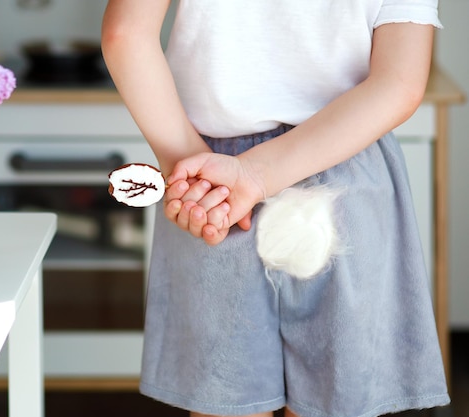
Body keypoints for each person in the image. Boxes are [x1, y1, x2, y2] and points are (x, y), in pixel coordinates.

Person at [101, 1, 451, 417]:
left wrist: (201, 177)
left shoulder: (208, 180)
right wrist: (253, 175)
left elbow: (125, 35)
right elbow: (399, 83)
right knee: (336, 403)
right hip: (343, 175)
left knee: (227, 405)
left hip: (210, 175)